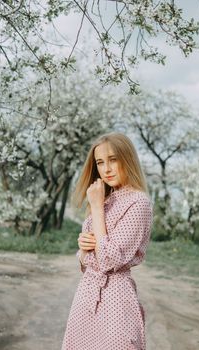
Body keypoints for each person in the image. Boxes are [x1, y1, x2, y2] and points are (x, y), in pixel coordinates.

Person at [61, 132, 153, 350]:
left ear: (127, 159)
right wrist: (83, 249)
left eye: (113, 159)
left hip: (115, 299)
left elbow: (109, 260)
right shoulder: (106, 198)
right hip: (86, 295)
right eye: (100, 162)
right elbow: (87, 264)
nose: (106, 169)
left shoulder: (138, 203)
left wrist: (96, 208)